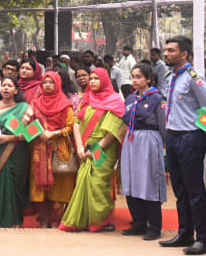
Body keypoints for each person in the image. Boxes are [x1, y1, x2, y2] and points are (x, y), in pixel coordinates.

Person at [159, 37, 206, 255]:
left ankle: (203, 239)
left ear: (184, 54)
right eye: (165, 50)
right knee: (180, 189)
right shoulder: (169, 77)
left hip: (190, 137)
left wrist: (202, 132)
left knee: (195, 190)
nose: (166, 54)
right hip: (173, 137)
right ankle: (185, 233)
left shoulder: (193, 77)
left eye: (171, 50)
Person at [59, 67, 125, 233]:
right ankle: (83, 220)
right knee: (83, 181)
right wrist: (80, 147)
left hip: (104, 149)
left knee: (98, 183)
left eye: (97, 78)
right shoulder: (87, 98)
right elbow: (76, 123)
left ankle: (101, 220)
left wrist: (97, 147)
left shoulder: (114, 100)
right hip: (85, 146)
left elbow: (113, 130)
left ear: (105, 80)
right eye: (92, 78)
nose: (93, 81)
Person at [120, 63, 166, 241]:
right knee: (131, 179)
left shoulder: (157, 98)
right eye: (132, 76)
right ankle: (139, 222)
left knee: (149, 180)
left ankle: (154, 226)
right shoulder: (131, 98)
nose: (134, 80)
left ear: (148, 79)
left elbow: (163, 124)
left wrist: (165, 147)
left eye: (139, 77)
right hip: (132, 139)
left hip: (149, 139)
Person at [26, 71, 75, 228]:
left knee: (59, 186)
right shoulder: (35, 103)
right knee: (39, 185)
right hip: (39, 150)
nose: (47, 85)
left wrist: (54, 133)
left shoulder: (65, 104)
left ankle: (56, 220)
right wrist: (37, 132)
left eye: (51, 82)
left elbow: (70, 127)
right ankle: (44, 219)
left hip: (58, 150)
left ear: (58, 84)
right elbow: (26, 125)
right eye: (45, 82)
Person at [0, 76, 30, 228]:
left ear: (16, 90)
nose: (5, 88)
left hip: (16, 152)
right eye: (3, 85)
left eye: (10, 86)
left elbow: (32, 132)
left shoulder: (24, 108)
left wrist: (9, 138)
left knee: (15, 186)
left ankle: (15, 221)